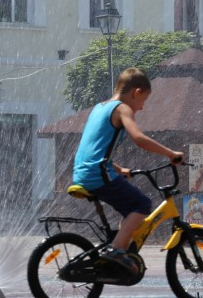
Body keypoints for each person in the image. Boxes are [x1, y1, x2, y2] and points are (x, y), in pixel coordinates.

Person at [71, 67, 183, 280]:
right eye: (144, 100)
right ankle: (116, 251)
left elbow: (93, 149)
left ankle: (117, 249)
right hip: (97, 174)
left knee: (131, 210)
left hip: (84, 172)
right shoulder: (123, 109)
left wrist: (119, 169)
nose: (142, 108)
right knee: (142, 204)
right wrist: (170, 153)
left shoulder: (99, 107)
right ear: (136, 92)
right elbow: (138, 138)